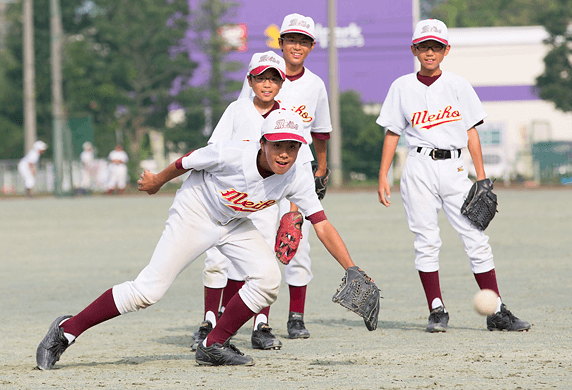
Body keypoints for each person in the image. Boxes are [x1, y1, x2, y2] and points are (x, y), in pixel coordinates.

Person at [35, 109, 363, 369]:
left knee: (267, 280)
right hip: (196, 211)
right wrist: (157, 182)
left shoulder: (298, 174)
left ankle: (213, 345)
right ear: (263, 142)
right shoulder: (233, 154)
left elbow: (320, 223)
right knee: (148, 291)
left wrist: (352, 269)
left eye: (292, 146)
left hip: (233, 221)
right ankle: (66, 331)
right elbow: (186, 160)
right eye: (278, 144)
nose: (285, 153)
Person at [376, 19, 530, 333]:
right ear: (414, 50)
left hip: (455, 168)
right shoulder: (402, 86)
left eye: (436, 46)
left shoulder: (458, 85)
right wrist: (384, 175)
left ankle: (497, 311)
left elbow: (471, 133)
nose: (429, 52)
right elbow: (392, 133)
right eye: (424, 46)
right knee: (426, 240)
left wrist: (482, 177)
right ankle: (436, 309)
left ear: (446, 50)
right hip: (418, 167)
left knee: (475, 237)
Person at [213, 12, 331, 341]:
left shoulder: (315, 85)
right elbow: (243, 123)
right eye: (291, 39)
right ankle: (252, 322)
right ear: (281, 43)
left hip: (297, 170)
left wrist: (321, 168)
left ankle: (295, 317)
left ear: (311, 45)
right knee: (256, 245)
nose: (297, 46)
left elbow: (320, 132)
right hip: (260, 170)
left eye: (303, 41)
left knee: (296, 244)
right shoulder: (262, 75)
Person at [192, 51, 287, 352]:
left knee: (262, 261)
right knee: (217, 259)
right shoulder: (237, 109)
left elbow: (294, 165)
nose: (267, 84)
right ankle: (211, 320)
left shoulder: (285, 117)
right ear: (250, 80)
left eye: (274, 78)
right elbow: (214, 150)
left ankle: (261, 323)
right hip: (227, 197)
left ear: (282, 83)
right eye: (261, 77)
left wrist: (293, 212)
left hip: (264, 201)